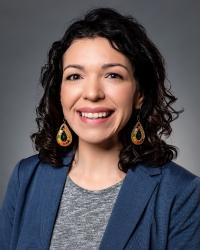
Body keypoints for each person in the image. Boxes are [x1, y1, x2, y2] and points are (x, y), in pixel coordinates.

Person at [0, 7, 200, 250]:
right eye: (75, 76)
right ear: (59, 93)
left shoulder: (183, 193)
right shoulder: (26, 178)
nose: (93, 93)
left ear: (140, 94)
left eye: (113, 75)